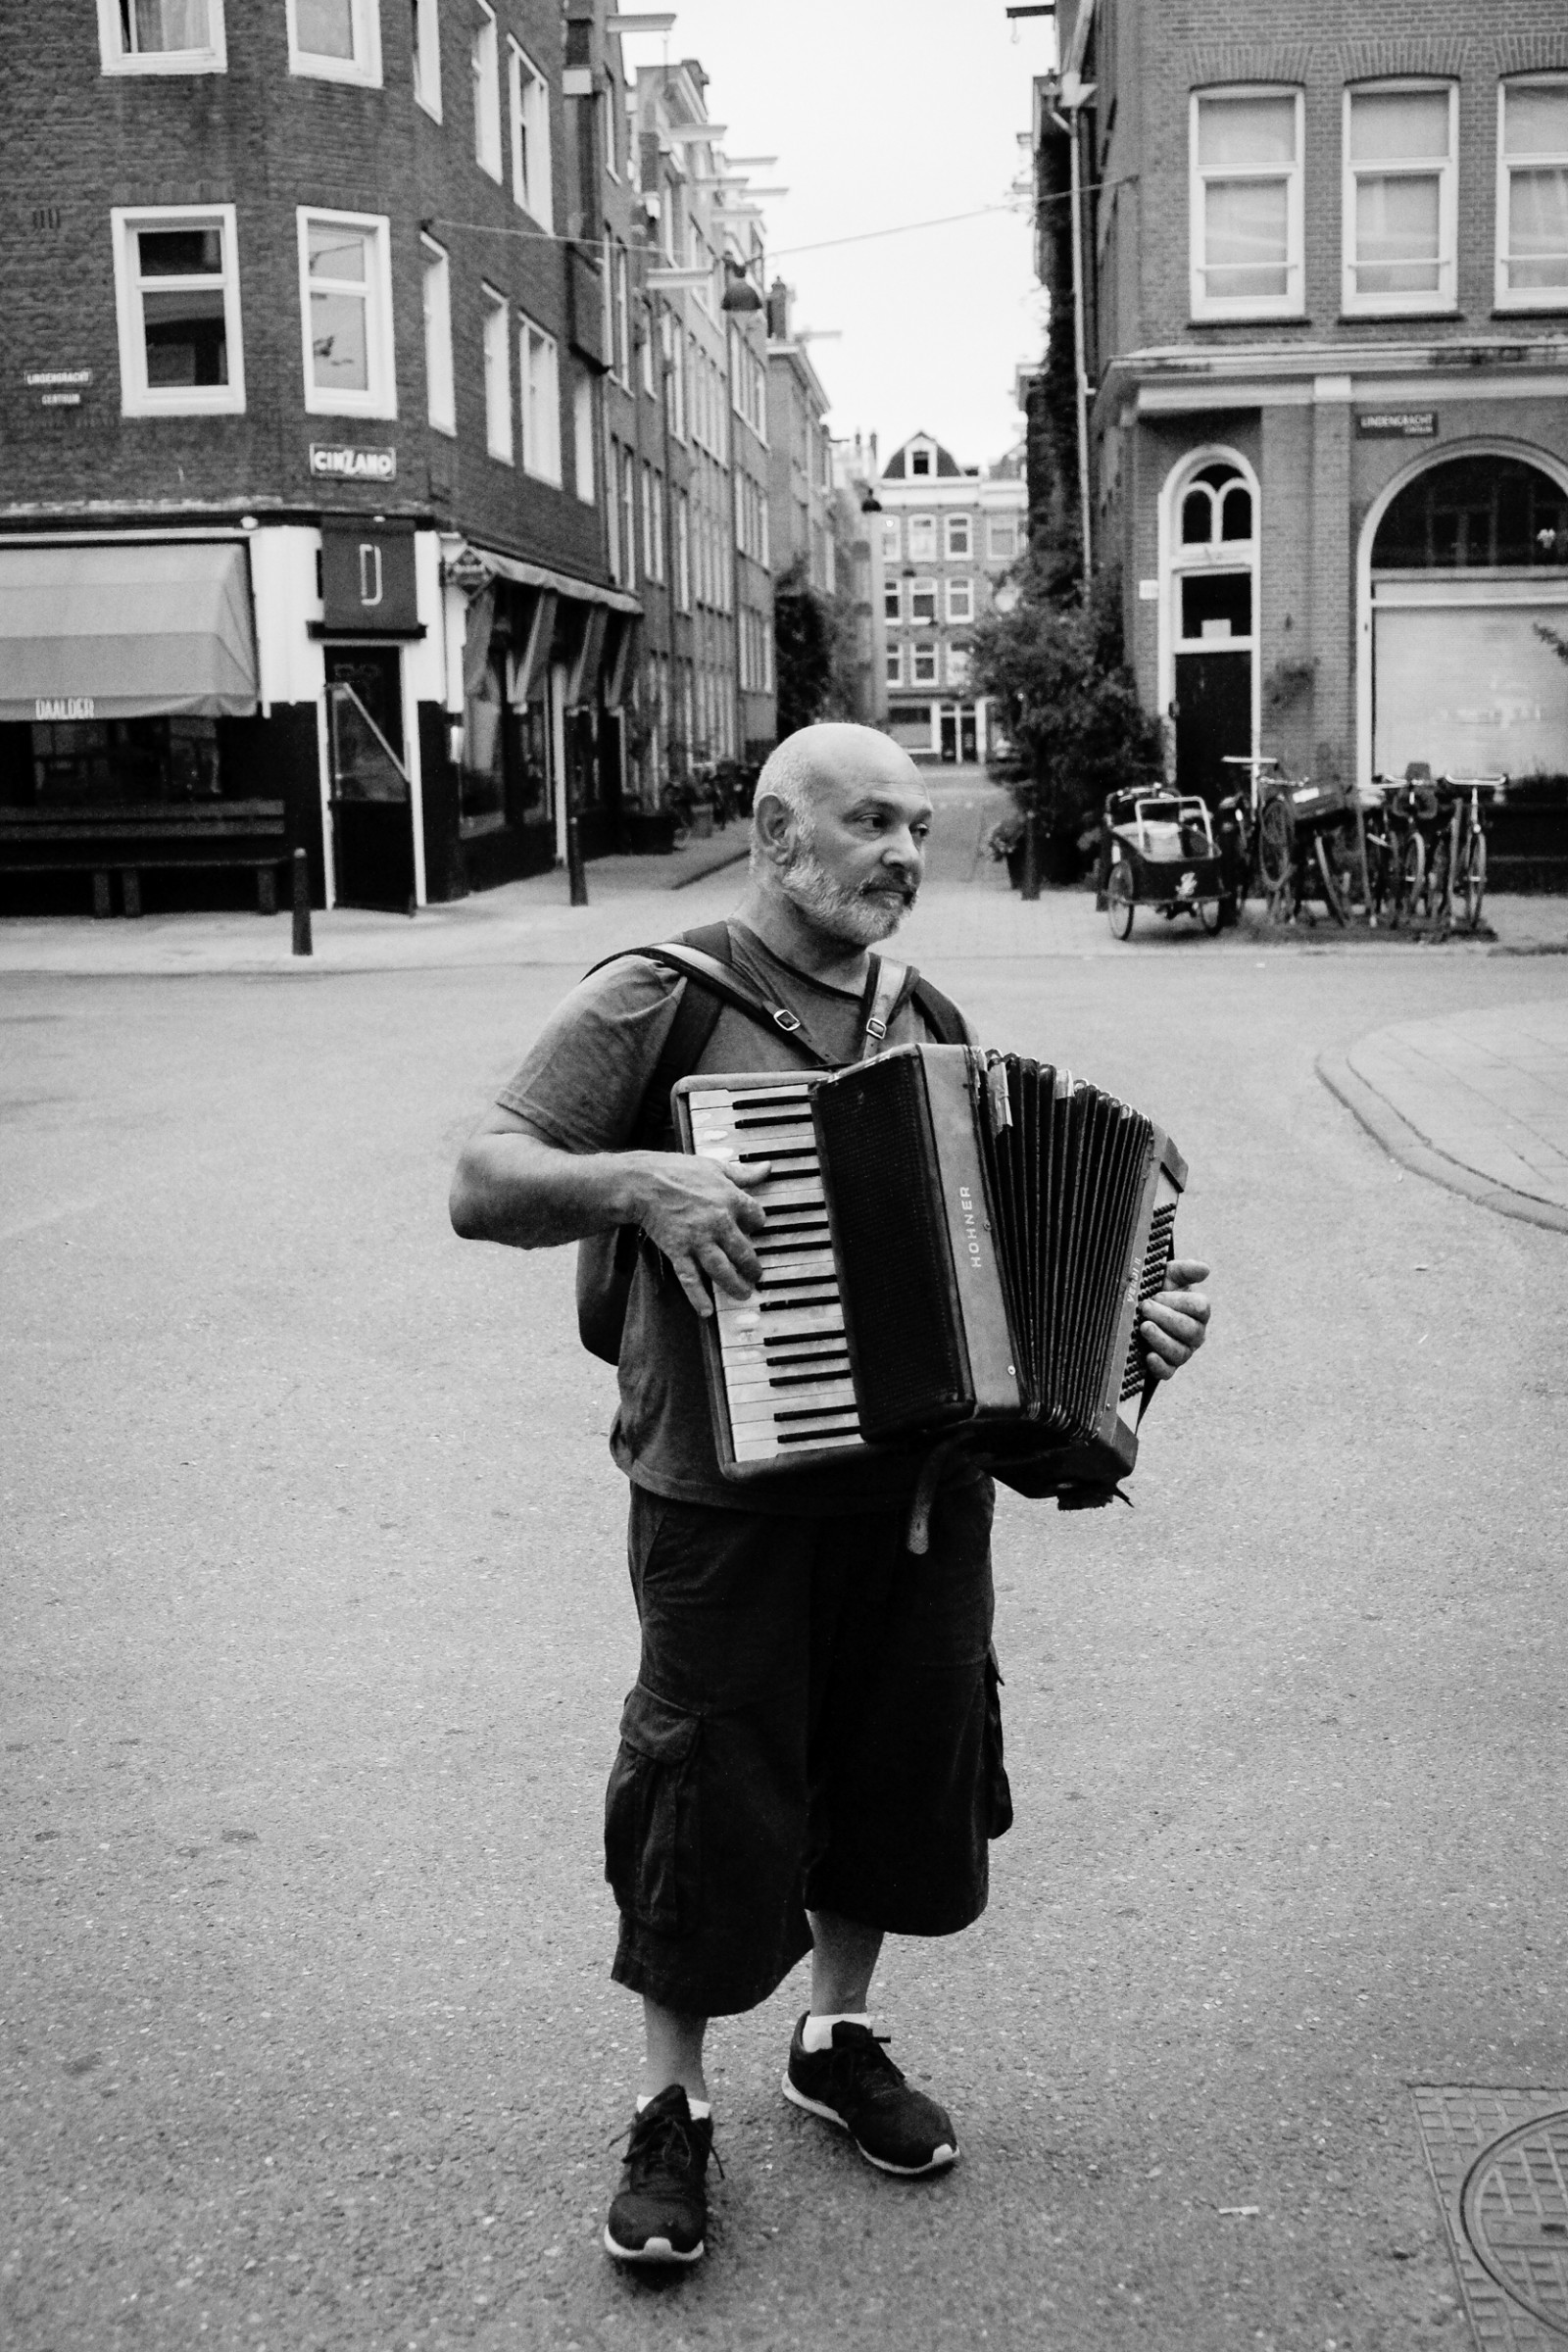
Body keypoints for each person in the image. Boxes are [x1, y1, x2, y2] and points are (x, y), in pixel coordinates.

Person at [450, 723, 1210, 2268]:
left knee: (889, 1767)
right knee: (704, 1784)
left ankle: (832, 2036)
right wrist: (640, 1182)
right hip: (721, 1498)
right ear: (778, 835)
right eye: (870, 823)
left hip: (918, 1503)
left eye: (917, 829)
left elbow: (1003, 1266)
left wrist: (1135, 1332)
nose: (900, 857)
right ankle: (673, 2106)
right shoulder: (661, 995)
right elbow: (482, 1174)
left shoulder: (926, 1018)